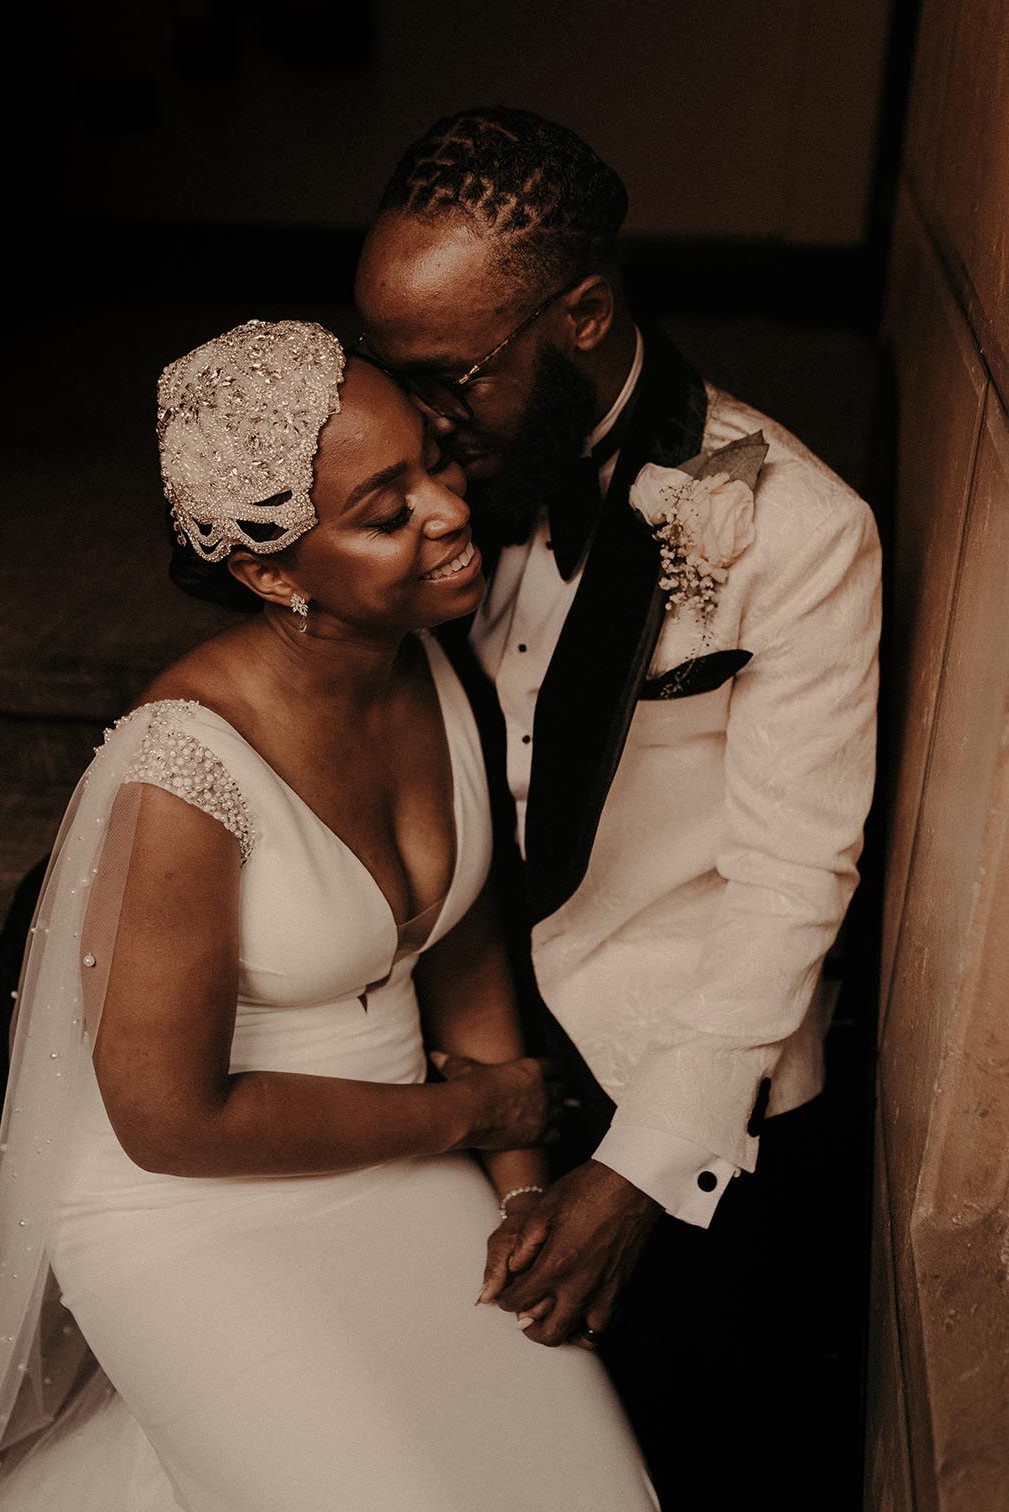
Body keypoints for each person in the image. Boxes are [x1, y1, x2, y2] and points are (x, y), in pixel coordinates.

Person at [0, 320, 659, 1511]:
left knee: (584, 1485)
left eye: (436, 459)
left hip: (413, 1156)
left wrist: (522, 1193)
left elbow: (465, 953)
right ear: (274, 575)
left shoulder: (430, 659)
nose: (449, 510)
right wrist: (475, 1112)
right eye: (386, 512)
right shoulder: (182, 773)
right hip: (188, 1209)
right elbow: (172, 1125)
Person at [355, 106, 882, 1509]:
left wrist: (638, 1173)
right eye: (395, 371)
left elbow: (791, 885)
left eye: (451, 375)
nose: (421, 416)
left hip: (667, 1067)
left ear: (583, 314)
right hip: (456, 1024)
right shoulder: (433, 482)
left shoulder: (797, 528)